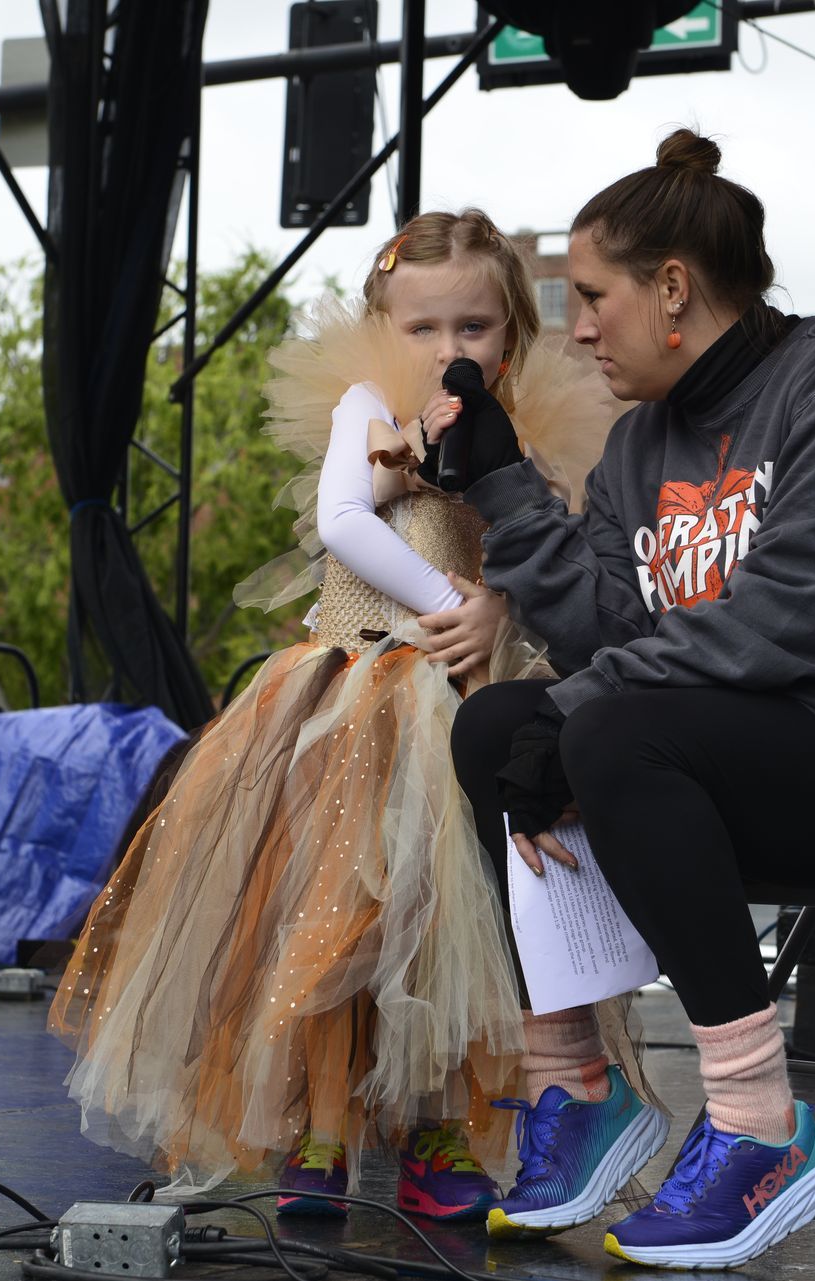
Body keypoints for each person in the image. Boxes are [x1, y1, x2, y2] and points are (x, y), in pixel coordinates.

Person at [443, 130, 815, 1267]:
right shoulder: (636, 450)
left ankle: (762, 1126)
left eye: (593, 297)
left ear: (673, 288)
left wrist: (582, 712)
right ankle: (577, 1087)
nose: (576, 328)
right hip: (743, 748)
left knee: (604, 723)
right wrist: (504, 486)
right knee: (493, 726)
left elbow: (798, 619)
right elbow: (610, 630)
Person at [49, 209, 624, 1223]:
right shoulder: (369, 407)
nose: (451, 350)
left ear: (511, 334)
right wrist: (453, 601)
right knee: (332, 921)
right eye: (425, 328)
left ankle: (443, 1126)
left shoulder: (522, 436)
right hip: (355, 696)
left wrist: (500, 604)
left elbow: (543, 556)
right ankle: (318, 1124)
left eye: (476, 328)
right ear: (381, 328)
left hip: (470, 700)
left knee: (465, 930)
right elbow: (342, 520)